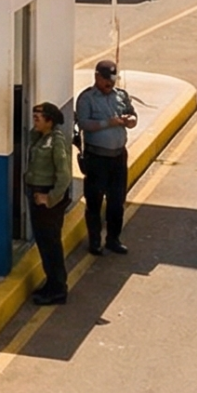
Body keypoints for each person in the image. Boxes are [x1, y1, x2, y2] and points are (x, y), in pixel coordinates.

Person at [74, 58, 139, 255]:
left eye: (112, 80)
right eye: (106, 80)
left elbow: (133, 116)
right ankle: (94, 241)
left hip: (118, 157)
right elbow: (84, 123)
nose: (109, 84)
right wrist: (108, 123)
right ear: (96, 77)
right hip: (96, 158)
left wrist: (130, 121)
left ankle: (113, 239)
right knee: (94, 202)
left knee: (117, 201)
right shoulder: (87, 98)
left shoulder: (121, 95)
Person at [27, 101, 75, 305]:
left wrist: (50, 199)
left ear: (50, 121)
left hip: (47, 199)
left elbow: (64, 176)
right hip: (38, 196)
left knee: (51, 244)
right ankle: (51, 283)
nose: (34, 122)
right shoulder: (40, 138)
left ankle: (58, 289)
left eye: (38, 118)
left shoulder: (56, 141)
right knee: (44, 243)